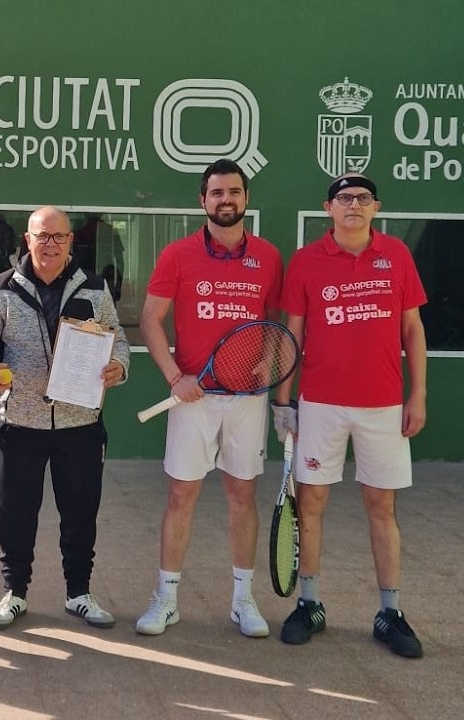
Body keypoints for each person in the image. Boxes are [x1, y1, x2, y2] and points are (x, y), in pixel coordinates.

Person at [271, 172, 428, 658]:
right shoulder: (305, 262)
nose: (354, 205)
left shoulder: (397, 256)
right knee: (312, 506)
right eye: (344, 198)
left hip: (383, 405)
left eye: (362, 198)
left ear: (375, 208)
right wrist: (283, 402)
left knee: (381, 507)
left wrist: (417, 395)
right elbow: (291, 335)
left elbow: (413, 331)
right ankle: (310, 603)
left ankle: (390, 612)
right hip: (320, 404)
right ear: (329, 208)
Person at [134, 158, 284, 638]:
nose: (226, 200)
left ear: (246, 199)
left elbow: (278, 323)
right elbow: (150, 321)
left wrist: (268, 359)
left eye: (234, 192)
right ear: (203, 201)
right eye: (217, 193)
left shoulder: (268, 257)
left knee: (242, 495)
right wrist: (176, 375)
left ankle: (243, 601)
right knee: (182, 495)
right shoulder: (177, 255)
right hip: (192, 398)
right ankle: (167, 599)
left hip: (246, 399)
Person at [0, 206, 130, 631]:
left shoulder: (94, 289)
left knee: (80, 512)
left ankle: (78, 593)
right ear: (28, 240)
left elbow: (120, 342)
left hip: (80, 425)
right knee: (15, 514)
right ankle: (15, 592)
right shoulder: (1, 288)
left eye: (59, 237)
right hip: (20, 422)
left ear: (71, 242)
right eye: (43, 236)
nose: (51, 244)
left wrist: (119, 367)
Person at [71, 212, 126, 302]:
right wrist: (118, 287)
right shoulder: (110, 231)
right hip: (92, 279)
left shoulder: (79, 233)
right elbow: (120, 260)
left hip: (91, 279)